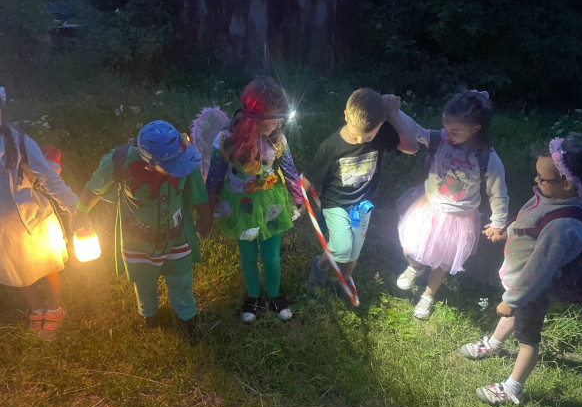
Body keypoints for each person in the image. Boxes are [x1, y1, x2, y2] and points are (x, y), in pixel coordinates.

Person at [460, 137, 582, 406]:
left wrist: (512, 300)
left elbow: (539, 269)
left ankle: (513, 387)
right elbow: (529, 221)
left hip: (532, 290)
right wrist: (507, 231)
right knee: (514, 315)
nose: (536, 181)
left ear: (566, 184)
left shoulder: (564, 225)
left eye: (542, 178)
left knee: (527, 339)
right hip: (520, 284)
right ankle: (494, 344)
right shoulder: (550, 198)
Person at [71, 120, 213, 346]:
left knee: (181, 278)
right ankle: (149, 314)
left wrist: (205, 216)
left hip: (176, 236)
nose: (181, 165)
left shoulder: (184, 158)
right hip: (138, 241)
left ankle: (187, 316)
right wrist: (80, 213)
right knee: (143, 280)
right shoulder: (119, 162)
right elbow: (94, 187)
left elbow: (197, 190)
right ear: (151, 164)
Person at [394, 90, 509, 319]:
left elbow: (498, 192)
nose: (448, 134)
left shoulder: (487, 157)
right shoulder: (441, 140)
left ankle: (428, 296)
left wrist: (499, 222)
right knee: (410, 247)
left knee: (443, 261)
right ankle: (415, 267)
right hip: (429, 207)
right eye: (445, 128)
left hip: (458, 219)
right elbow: (417, 131)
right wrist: (394, 112)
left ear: (475, 129)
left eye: (454, 131)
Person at [205, 76, 303, 322]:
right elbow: (215, 174)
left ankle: (274, 294)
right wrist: (209, 203)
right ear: (253, 118)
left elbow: (290, 170)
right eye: (273, 117)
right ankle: (253, 296)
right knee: (248, 255)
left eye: (281, 116)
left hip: (270, 203)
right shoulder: (227, 140)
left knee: (271, 255)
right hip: (240, 205)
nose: (278, 122)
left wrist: (299, 199)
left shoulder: (277, 139)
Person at [304, 88, 418, 297]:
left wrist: (393, 114)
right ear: (346, 116)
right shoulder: (331, 147)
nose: (360, 140)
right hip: (336, 203)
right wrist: (298, 202)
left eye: (368, 136)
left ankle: (344, 280)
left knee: (354, 248)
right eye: (356, 134)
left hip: (363, 205)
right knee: (341, 248)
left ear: (381, 125)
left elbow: (412, 147)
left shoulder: (381, 134)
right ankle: (319, 268)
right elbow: (308, 178)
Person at [0, 86, 77, 340]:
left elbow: (49, 179)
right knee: (19, 271)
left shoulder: (20, 143)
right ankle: (36, 308)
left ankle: (54, 308)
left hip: (34, 221)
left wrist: (75, 208)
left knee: (46, 267)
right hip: (4, 230)